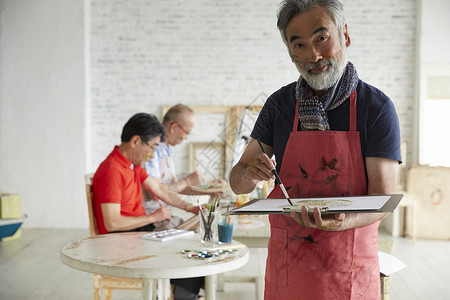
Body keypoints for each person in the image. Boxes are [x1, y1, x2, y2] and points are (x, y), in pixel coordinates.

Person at [229, 0, 402, 299]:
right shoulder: (279, 106)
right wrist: (251, 173)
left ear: (344, 35)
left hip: (348, 268)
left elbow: (382, 200)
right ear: (289, 52)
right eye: (299, 45)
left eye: (321, 38)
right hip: (290, 266)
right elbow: (236, 181)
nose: (314, 55)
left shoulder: (376, 108)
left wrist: (341, 222)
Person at [92, 113, 204, 300]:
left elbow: (160, 190)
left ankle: (190, 297)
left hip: (138, 234)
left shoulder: (132, 165)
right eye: (152, 147)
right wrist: (154, 217)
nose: (153, 155)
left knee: (191, 244)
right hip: (121, 242)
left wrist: (189, 208)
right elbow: (111, 223)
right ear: (136, 141)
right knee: (184, 250)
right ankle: (189, 297)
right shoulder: (112, 170)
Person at [143, 104, 213, 229]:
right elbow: (159, 191)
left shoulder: (167, 149)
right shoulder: (153, 150)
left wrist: (210, 191)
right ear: (174, 127)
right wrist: (189, 204)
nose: (186, 138)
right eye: (187, 132)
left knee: (205, 221)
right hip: (151, 219)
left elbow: (175, 187)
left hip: (165, 216)